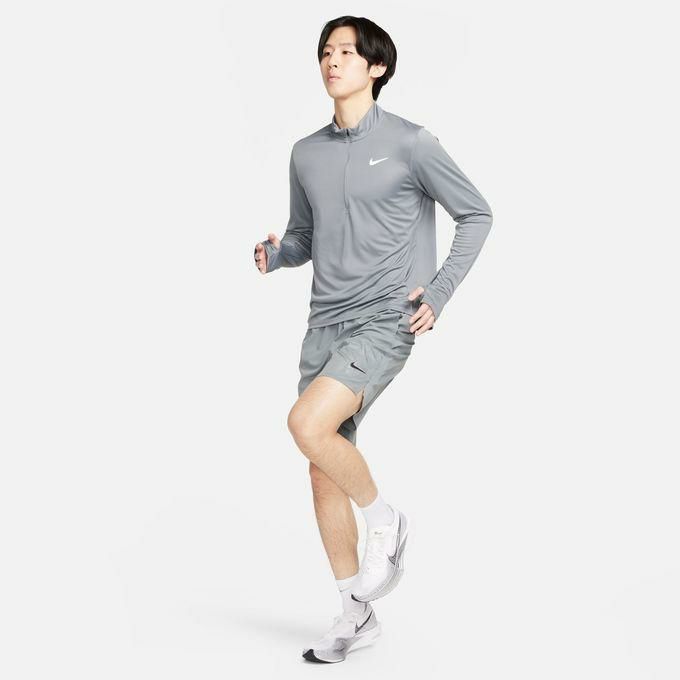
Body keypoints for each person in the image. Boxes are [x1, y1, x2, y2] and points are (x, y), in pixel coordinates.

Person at [253, 15, 493, 664]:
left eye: (346, 52)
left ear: (376, 67)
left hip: (385, 319)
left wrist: (438, 292)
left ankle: (386, 520)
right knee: (322, 464)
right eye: (325, 52)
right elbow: (304, 236)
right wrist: (278, 255)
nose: (332, 62)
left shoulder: (412, 143)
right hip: (323, 324)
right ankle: (354, 614)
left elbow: (476, 213)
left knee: (306, 424)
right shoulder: (306, 152)